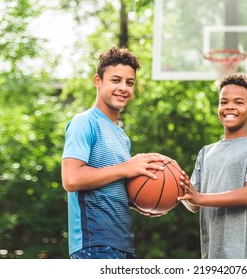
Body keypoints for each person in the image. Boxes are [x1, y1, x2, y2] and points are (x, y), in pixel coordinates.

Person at [61, 46, 168, 259]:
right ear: (97, 81)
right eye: (116, 80)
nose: (123, 88)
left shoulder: (121, 136)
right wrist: (126, 168)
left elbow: (111, 183)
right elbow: (72, 179)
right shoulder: (84, 123)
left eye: (130, 83)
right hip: (94, 244)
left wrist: (143, 200)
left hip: (122, 244)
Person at [178, 74, 247, 259]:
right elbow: (193, 204)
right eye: (224, 102)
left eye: (238, 102)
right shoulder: (206, 153)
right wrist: (175, 186)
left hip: (245, 255)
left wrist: (198, 197)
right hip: (211, 255)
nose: (229, 106)